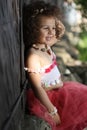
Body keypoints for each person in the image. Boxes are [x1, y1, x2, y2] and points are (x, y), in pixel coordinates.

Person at [23, 1, 87, 130]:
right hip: (50, 100)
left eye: (53, 28)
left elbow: (60, 31)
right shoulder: (33, 55)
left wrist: (52, 22)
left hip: (60, 90)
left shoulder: (46, 46)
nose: (51, 33)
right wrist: (52, 111)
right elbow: (37, 88)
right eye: (45, 28)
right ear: (34, 29)